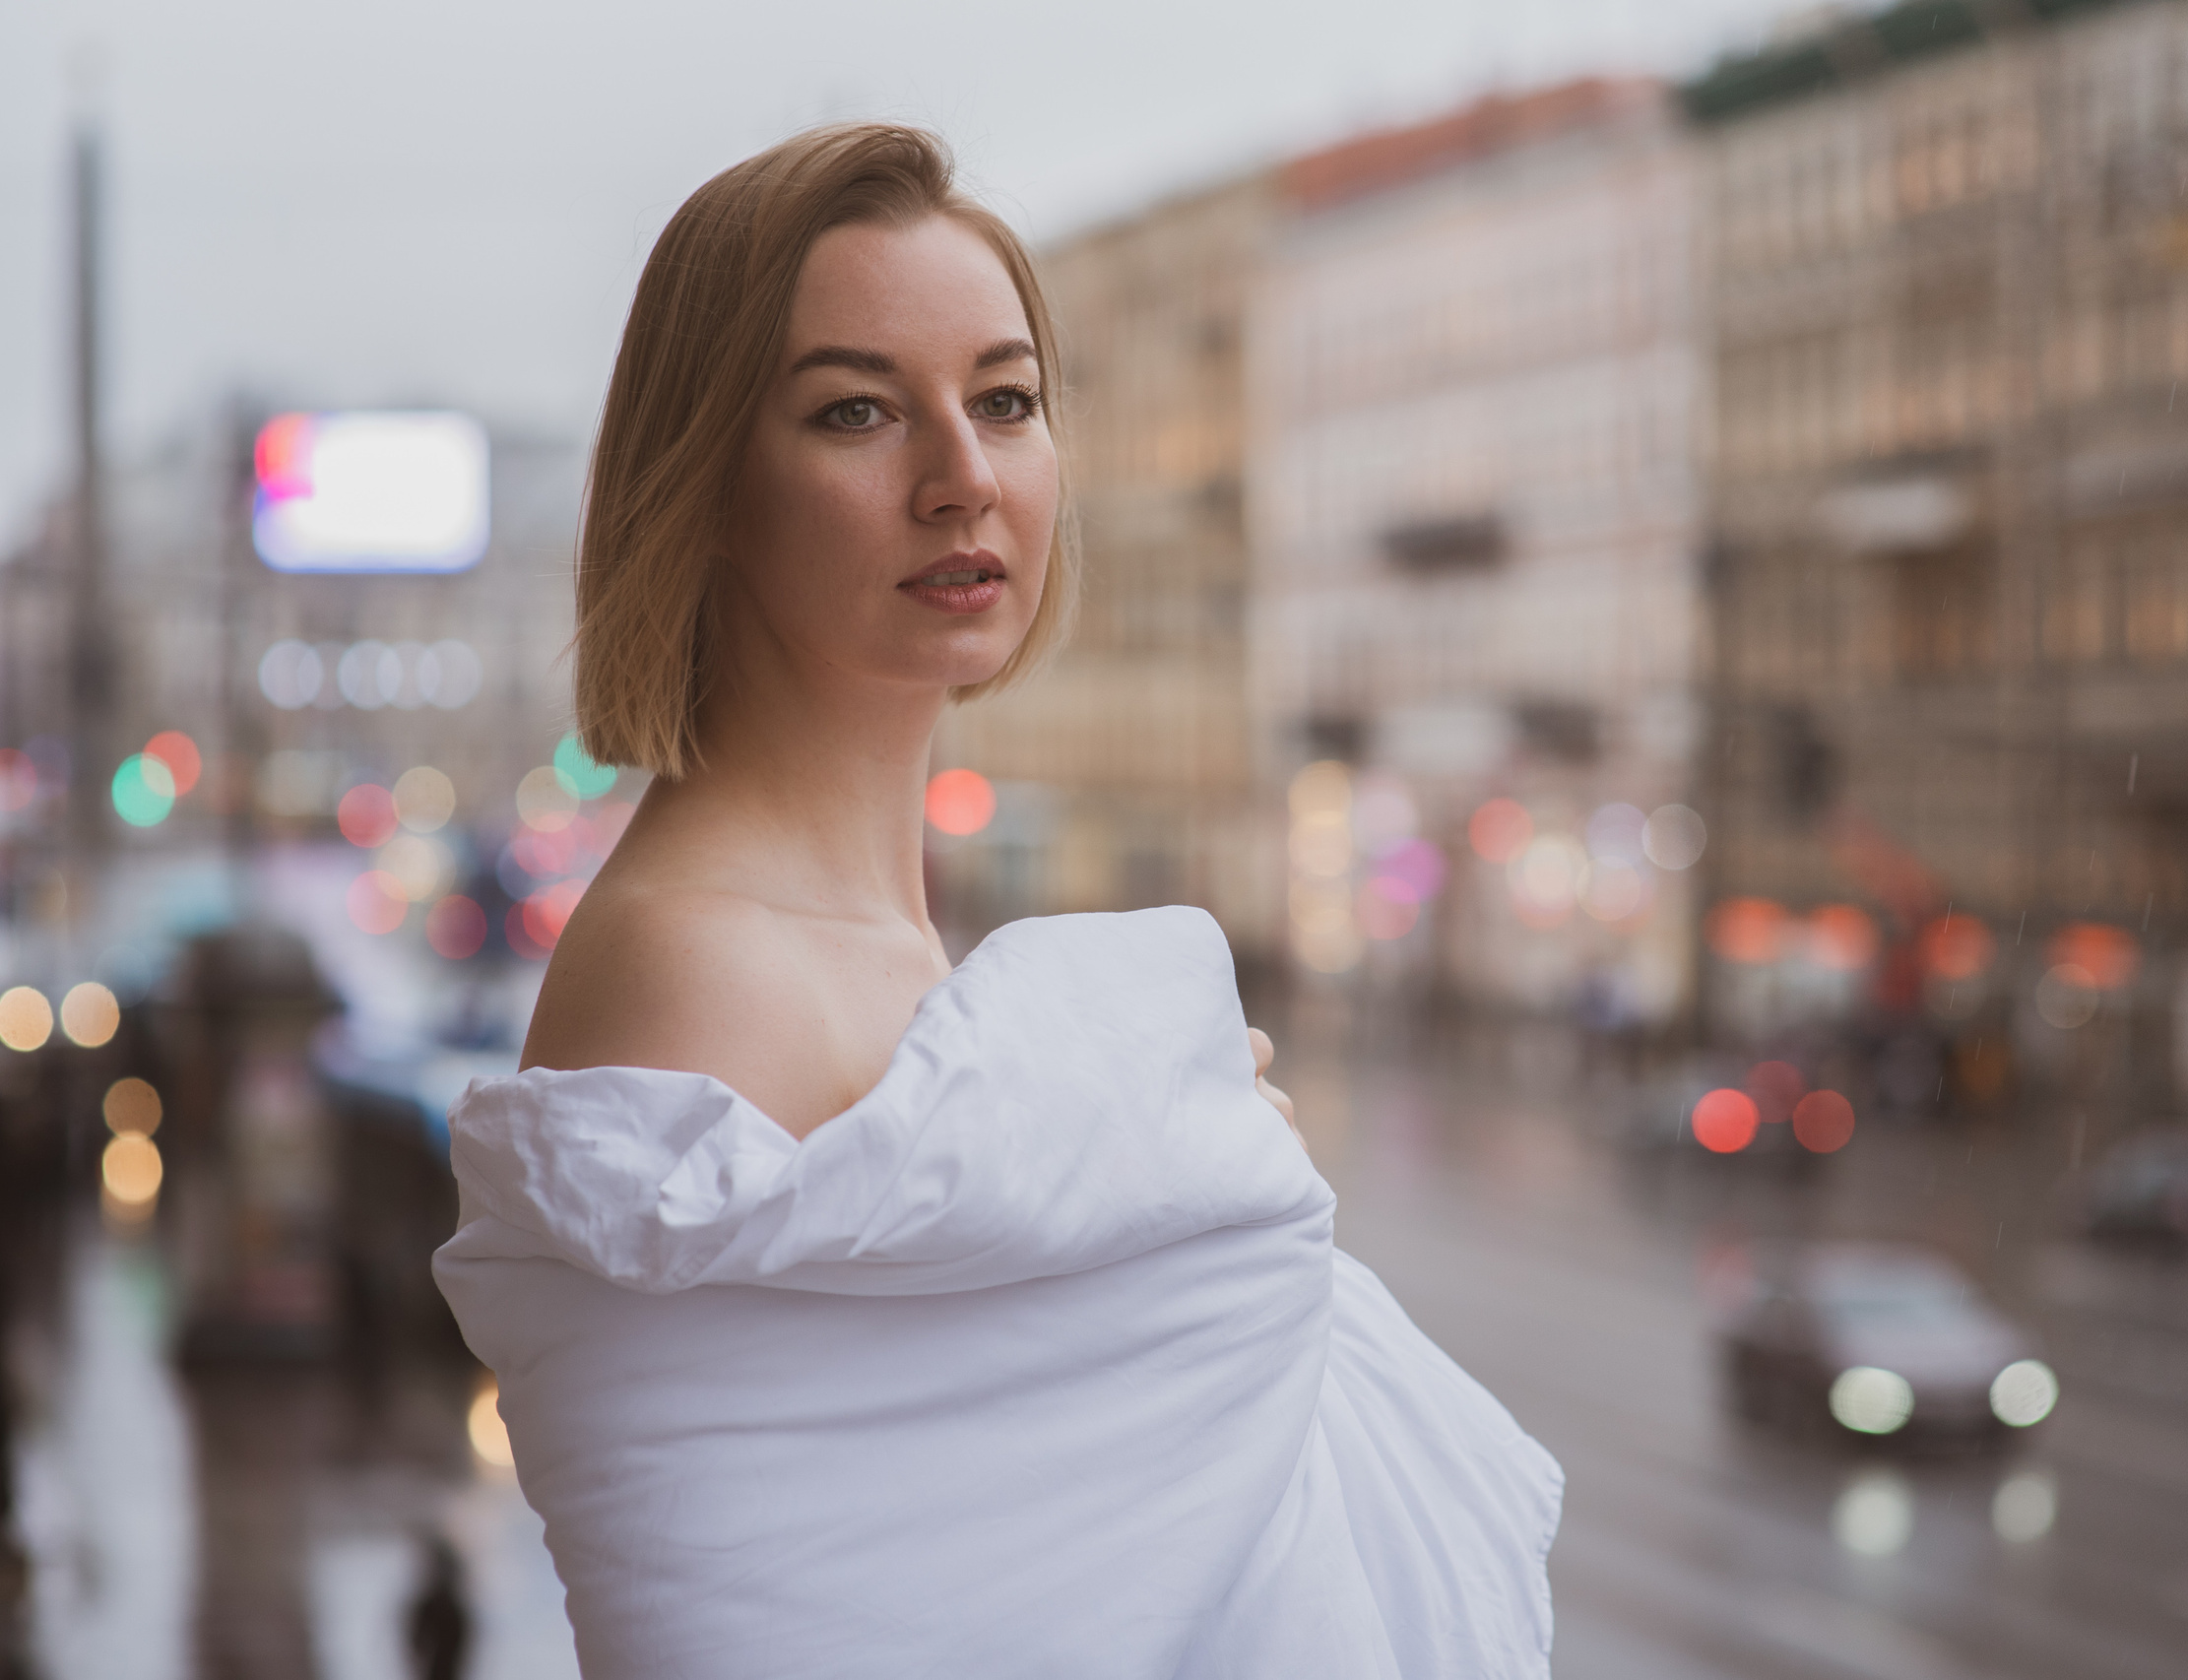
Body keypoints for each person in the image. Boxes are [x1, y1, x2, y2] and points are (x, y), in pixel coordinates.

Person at [433, 123, 1560, 1680]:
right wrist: (1151, 1166)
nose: (962, 476)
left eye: (1007, 400)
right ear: (703, 488)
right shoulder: (698, 969)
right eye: (857, 412)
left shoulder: (889, 944)